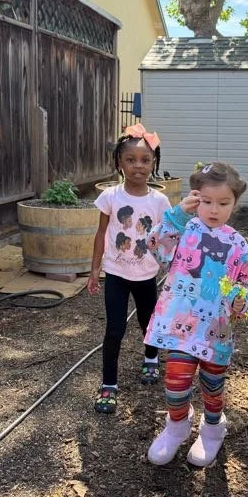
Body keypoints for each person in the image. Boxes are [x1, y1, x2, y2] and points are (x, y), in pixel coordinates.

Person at [143, 162, 248, 467]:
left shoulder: (239, 245)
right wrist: (177, 214)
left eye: (223, 203)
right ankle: (177, 425)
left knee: (212, 385)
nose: (214, 210)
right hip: (181, 327)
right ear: (195, 198)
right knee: (175, 383)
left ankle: (213, 430)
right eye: (206, 202)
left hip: (215, 329)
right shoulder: (184, 228)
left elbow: (244, 282)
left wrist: (242, 298)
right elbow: (154, 246)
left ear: (235, 203)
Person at [88, 124, 171, 414]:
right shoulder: (110, 197)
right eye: (130, 160)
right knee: (114, 329)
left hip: (147, 276)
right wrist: (94, 270)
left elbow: (167, 238)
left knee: (149, 324)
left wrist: (172, 269)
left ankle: (151, 358)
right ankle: (108, 383)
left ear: (153, 163)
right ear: (119, 163)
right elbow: (100, 235)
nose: (138, 166)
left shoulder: (160, 201)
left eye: (145, 160)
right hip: (116, 275)